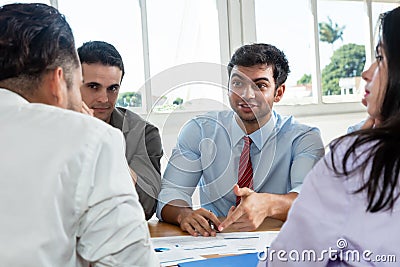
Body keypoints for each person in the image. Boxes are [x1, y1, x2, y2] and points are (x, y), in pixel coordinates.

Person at [0, 3, 158, 266]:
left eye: (112, 89)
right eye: (87, 85)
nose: (103, 99)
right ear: (58, 83)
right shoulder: (90, 138)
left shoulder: (142, 131)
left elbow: (149, 202)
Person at [260, 7, 400, 266]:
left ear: (279, 92)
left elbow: (286, 261)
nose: (366, 73)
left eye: (380, 57)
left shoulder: (353, 157)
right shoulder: (202, 131)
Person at [157, 43, 325, 236]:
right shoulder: (200, 130)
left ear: (278, 93)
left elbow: (311, 200)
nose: (246, 94)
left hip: (280, 242)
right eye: (238, 83)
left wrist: (268, 204)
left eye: (260, 85)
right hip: (214, 241)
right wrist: (183, 214)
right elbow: (170, 194)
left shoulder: (304, 137)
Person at [78, 41, 163, 220]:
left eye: (112, 89)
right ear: (73, 84)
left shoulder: (144, 134)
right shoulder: (52, 126)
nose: (104, 99)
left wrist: (108, 145)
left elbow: (146, 206)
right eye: (93, 87)